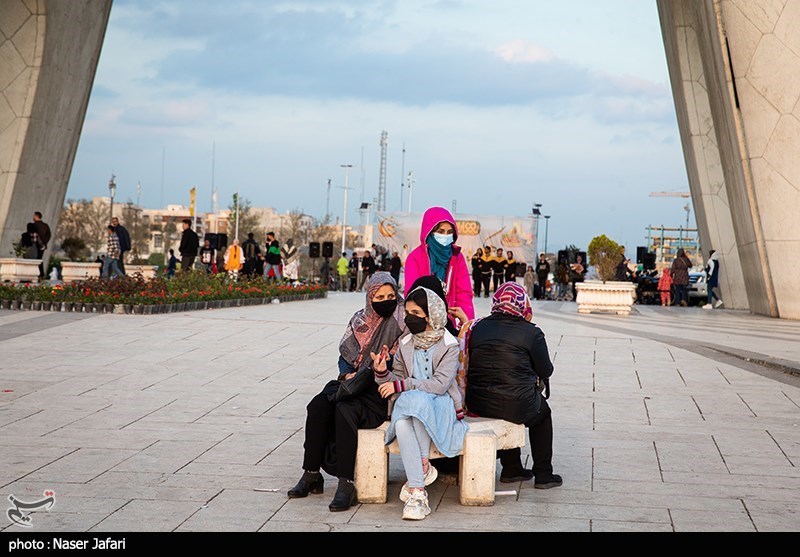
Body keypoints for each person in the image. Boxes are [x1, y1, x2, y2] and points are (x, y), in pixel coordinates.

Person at [287, 272, 406, 512]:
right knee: (317, 406)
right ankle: (311, 474)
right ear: (370, 297)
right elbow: (345, 356)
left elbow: (402, 361)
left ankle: (346, 483)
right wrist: (347, 374)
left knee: (344, 410)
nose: (386, 300)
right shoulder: (359, 320)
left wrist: (384, 363)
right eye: (380, 296)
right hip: (353, 384)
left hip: (380, 390)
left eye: (391, 295)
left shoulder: (402, 321)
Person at [373, 285, 468, 521]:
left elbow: (439, 385)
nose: (409, 318)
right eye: (407, 313)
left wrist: (402, 386)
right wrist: (382, 372)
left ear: (431, 316)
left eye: (416, 314)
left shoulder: (449, 344)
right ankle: (418, 488)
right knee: (406, 419)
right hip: (410, 405)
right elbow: (396, 378)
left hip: (441, 404)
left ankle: (418, 481)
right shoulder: (406, 342)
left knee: (415, 402)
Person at [457, 281, 562, 489]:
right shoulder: (531, 333)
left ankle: (512, 468)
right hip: (517, 404)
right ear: (523, 303)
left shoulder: (478, 327)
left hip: (477, 402)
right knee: (542, 413)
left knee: (505, 401)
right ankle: (543, 474)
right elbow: (546, 370)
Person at [403, 206, 475, 334]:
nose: (445, 236)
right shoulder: (415, 258)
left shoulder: (457, 257)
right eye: (441, 231)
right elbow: (412, 293)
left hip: (450, 320)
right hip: (423, 321)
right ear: (429, 232)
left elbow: (463, 293)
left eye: (449, 232)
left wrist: (467, 323)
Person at [32, 211, 51, 279]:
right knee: (39, 259)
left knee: (34, 260)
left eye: (34, 216)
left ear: (37, 216)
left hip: (34, 245)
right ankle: (41, 274)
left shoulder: (34, 225)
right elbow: (49, 235)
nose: (33, 217)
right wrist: (44, 243)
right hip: (42, 246)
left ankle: (38, 274)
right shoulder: (45, 225)